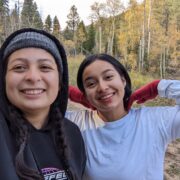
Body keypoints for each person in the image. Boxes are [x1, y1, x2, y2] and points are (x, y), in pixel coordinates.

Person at [66, 53, 180, 180]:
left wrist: (159, 87)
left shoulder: (154, 121)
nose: (102, 87)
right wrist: (67, 91)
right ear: (85, 94)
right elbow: (41, 109)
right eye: (91, 84)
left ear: (123, 80)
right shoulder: (75, 123)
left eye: (108, 77)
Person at [0, 28, 86, 180]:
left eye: (45, 67)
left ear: (60, 82)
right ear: (3, 79)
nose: (33, 77)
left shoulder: (72, 134)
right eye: (19, 67)